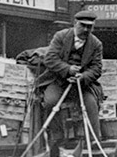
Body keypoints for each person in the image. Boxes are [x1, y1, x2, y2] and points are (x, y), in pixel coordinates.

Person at [35, 8, 104, 149]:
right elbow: (50, 59)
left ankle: (94, 141)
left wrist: (82, 77)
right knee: (50, 102)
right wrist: (68, 70)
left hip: (83, 85)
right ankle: (57, 138)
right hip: (59, 81)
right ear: (75, 23)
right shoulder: (60, 36)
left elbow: (96, 68)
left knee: (91, 104)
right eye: (82, 25)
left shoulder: (96, 44)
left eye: (89, 27)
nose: (85, 30)